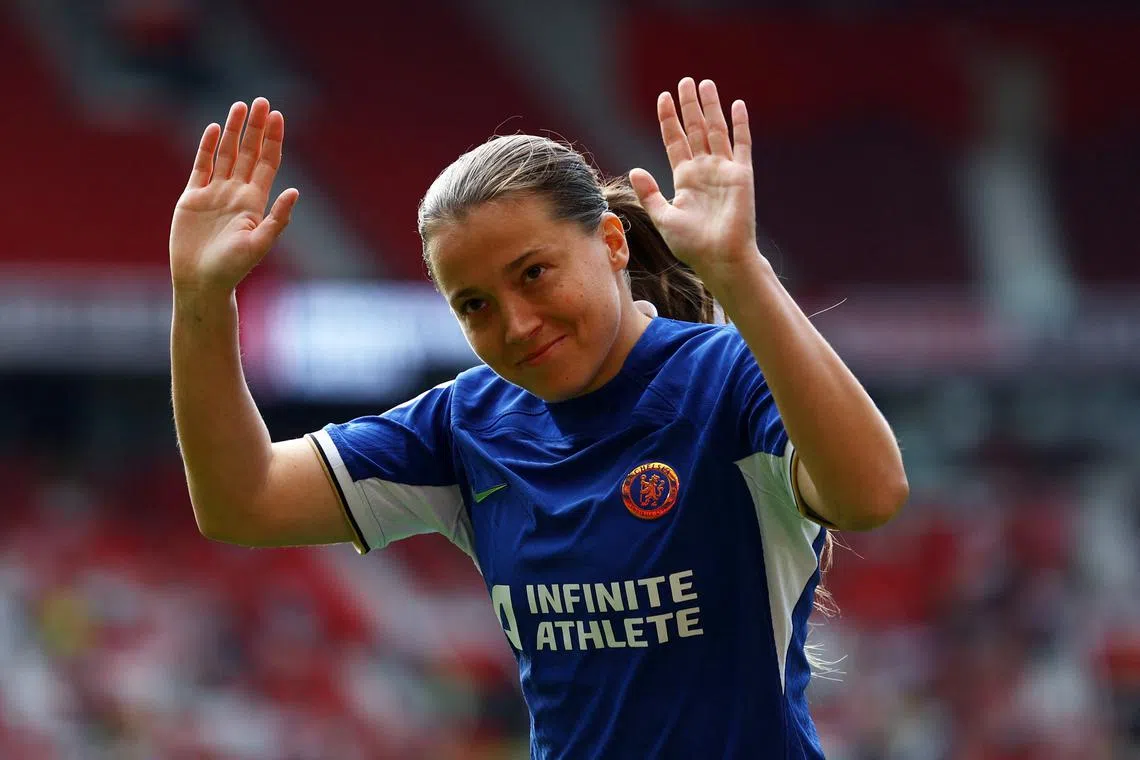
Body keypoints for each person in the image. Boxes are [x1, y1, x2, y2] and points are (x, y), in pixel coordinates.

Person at [169, 77, 909, 759]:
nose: (517, 325)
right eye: (475, 306)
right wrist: (202, 301)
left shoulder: (725, 375)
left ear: (612, 244)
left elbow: (871, 494)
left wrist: (741, 270)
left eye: (534, 273)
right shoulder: (466, 425)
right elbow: (243, 501)